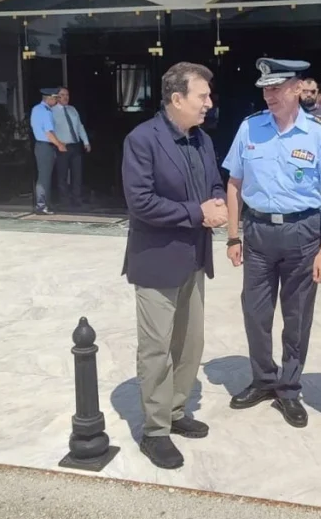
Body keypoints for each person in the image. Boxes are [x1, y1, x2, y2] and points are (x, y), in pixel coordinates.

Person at [222, 59, 321, 428]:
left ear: (297, 88)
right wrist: (232, 235)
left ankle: (289, 388)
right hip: (258, 232)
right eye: (265, 89)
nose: (269, 95)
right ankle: (263, 379)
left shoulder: (318, 134)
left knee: (297, 315)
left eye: (276, 88)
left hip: (302, 233)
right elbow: (234, 183)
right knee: (255, 312)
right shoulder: (249, 128)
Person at [121, 62, 227, 470]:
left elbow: (214, 183)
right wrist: (198, 212)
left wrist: (217, 203)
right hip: (157, 261)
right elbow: (141, 202)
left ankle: (177, 410)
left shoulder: (201, 139)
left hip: (194, 258)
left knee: (190, 343)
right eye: (203, 96)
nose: (209, 102)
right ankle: (155, 431)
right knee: (157, 348)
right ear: (177, 98)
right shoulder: (142, 140)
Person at [52, 87, 90, 209]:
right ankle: (65, 201)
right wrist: (57, 144)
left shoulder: (72, 109)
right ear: (57, 97)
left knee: (77, 174)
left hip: (75, 145)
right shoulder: (52, 111)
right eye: (62, 95)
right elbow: (50, 131)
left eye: (67, 95)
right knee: (62, 175)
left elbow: (79, 126)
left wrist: (86, 141)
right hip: (62, 146)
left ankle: (77, 199)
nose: (65, 97)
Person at [30, 88, 63, 215]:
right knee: (44, 177)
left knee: (44, 176)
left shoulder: (36, 109)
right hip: (45, 146)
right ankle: (41, 205)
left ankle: (45, 204)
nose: (56, 101)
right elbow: (48, 132)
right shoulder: (45, 111)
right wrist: (59, 144)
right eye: (55, 98)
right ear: (49, 98)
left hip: (41, 146)